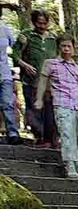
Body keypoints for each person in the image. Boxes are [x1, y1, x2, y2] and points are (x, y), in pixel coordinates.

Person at [35, 35, 78, 178]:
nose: (66, 49)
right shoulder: (50, 64)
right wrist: (39, 99)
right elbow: (42, 82)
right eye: (63, 46)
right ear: (59, 47)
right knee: (67, 133)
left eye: (69, 46)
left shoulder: (77, 68)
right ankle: (70, 164)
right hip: (61, 103)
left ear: (73, 48)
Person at [15, 9, 60, 146]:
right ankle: (39, 136)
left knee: (49, 111)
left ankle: (49, 139)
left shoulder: (53, 38)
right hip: (31, 80)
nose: (42, 26)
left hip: (49, 82)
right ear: (34, 22)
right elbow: (14, 54)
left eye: (45, 23)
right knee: (33, 109)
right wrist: (25, 65)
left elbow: (59, 57)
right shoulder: (26, 35)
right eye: (39, 23)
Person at [0, 10, 19, 144]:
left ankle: (12, 133)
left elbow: (15, 47)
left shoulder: (5, 29)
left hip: (4, 71)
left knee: (7, 102)